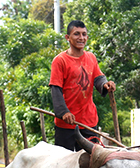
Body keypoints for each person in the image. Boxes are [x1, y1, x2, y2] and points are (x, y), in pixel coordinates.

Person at [49, 20, 116, 151]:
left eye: (84, 34)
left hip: (89, 122)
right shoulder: (60, 60)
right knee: (64, 162)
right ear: (67, 37)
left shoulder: (91, 57)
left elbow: (98, 78)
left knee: (92, 162)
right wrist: (63, 112)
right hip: (67, 123)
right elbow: (55, 89)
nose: (81, 38)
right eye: (76, 34)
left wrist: (106, 85)